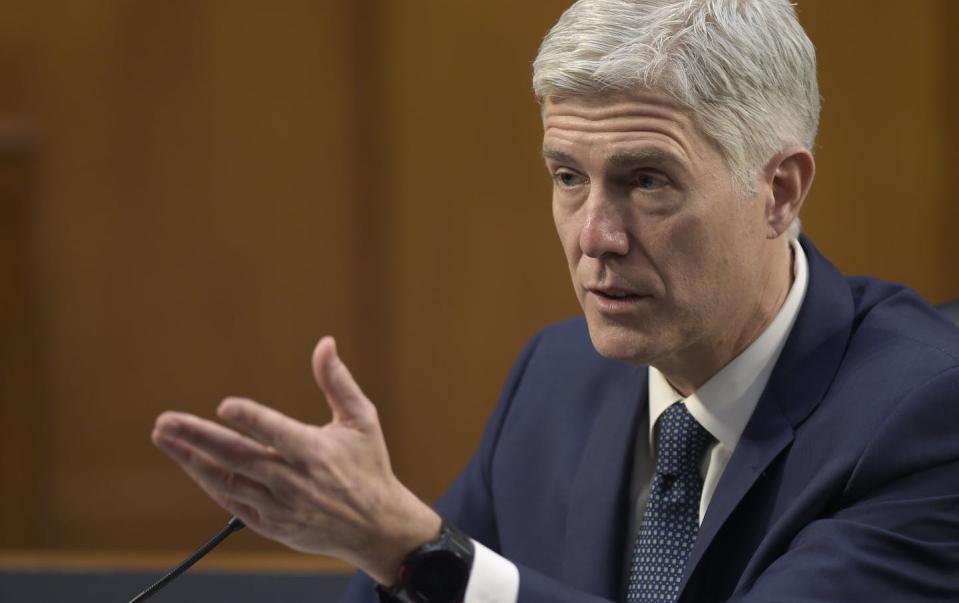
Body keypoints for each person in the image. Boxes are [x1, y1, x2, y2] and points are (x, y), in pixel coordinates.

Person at [151, 0, 959, 601]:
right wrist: (385, 547)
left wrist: (414, 545)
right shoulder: (556, 375)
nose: (594, 237)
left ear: (777, 190)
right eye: (568, 177)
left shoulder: (923, 413)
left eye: (647, 180)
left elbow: (434, 566)